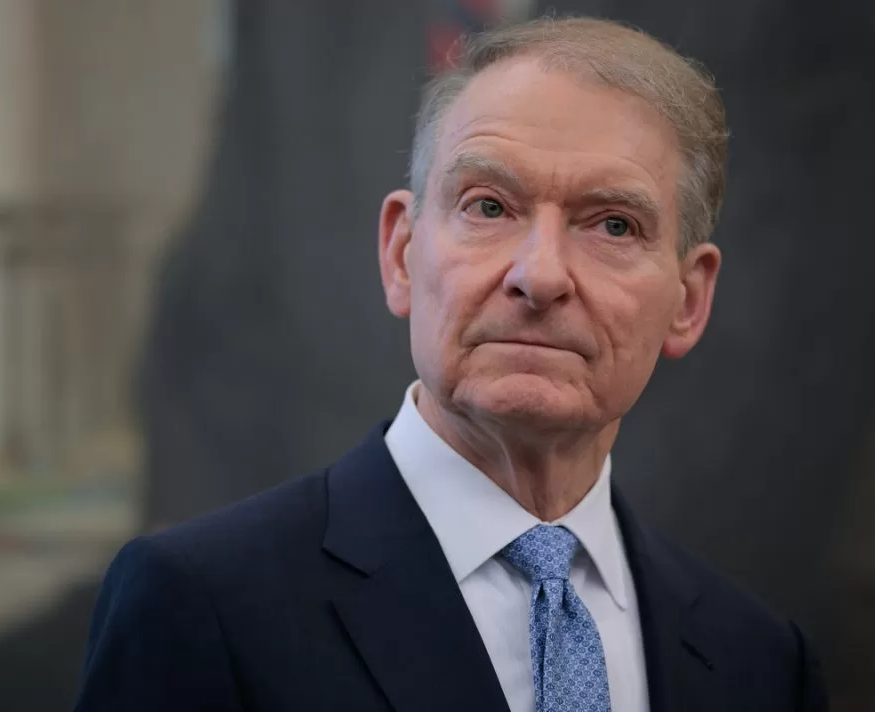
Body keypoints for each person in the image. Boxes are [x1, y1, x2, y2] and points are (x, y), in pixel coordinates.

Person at [73, 17, 826, 712]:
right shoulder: (201, 604)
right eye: (489, 206)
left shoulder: (761, 663)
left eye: (613, 225)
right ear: (401, 253)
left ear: (689, 299)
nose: (540, 275)